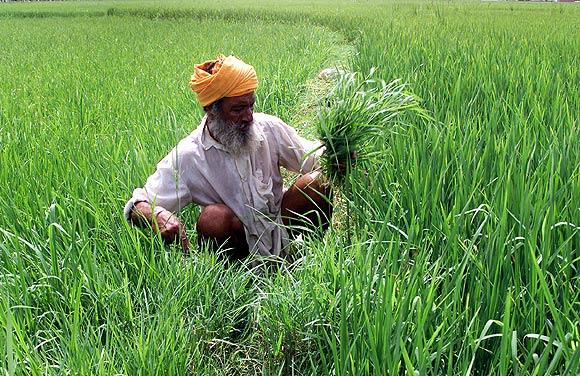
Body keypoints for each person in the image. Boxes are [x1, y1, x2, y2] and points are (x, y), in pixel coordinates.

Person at [124, 54, 332, 260]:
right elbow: (139, 203)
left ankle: (307, 256)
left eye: (251, 105)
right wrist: (156, 216)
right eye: (238, 109)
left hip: (281, 227)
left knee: (320, 182)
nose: (249, 116)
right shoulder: (190, 156)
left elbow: (313, 158)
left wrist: (339, 152)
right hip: (238, 243)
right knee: (213, 219)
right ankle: (240, 278)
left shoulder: (268, 127)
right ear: (211, 110)